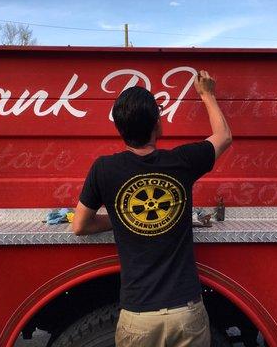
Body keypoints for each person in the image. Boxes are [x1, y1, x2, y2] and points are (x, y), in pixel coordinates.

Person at [72, 70, 232, 347]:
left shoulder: (104, 169)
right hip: (187, 312)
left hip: (138, 317)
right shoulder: (183, 161)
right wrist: (207, 94)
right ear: (157, 124)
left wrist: (122, 217)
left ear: (120, 128)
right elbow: (224, 136)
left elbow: (80, 225)